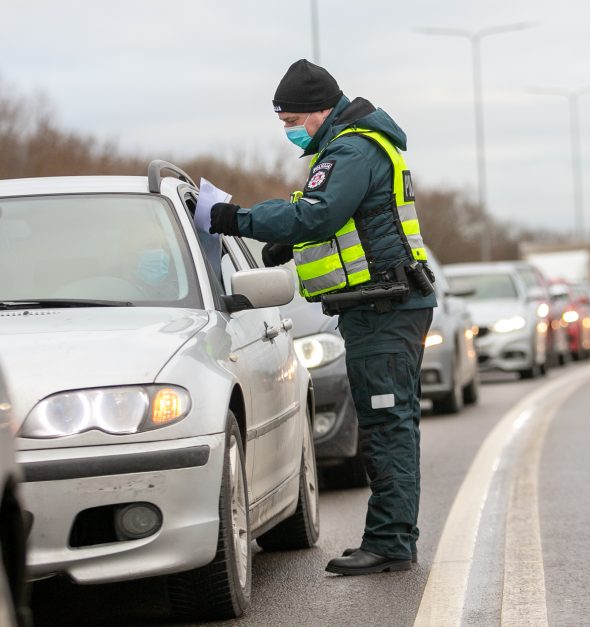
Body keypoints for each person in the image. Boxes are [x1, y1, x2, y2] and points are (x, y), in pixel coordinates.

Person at [209, 59, 436, 576]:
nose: (289, 130)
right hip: (378, 306)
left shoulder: (351, 148)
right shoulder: (350, 147)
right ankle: (390, 538)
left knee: (386, 426)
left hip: (386, 307)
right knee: (387, 424)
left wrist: (237, 218)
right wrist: (287, 242)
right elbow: (334, 217)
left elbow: (321, 212)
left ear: (319, 111)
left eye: (291, 119)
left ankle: (391, 543)